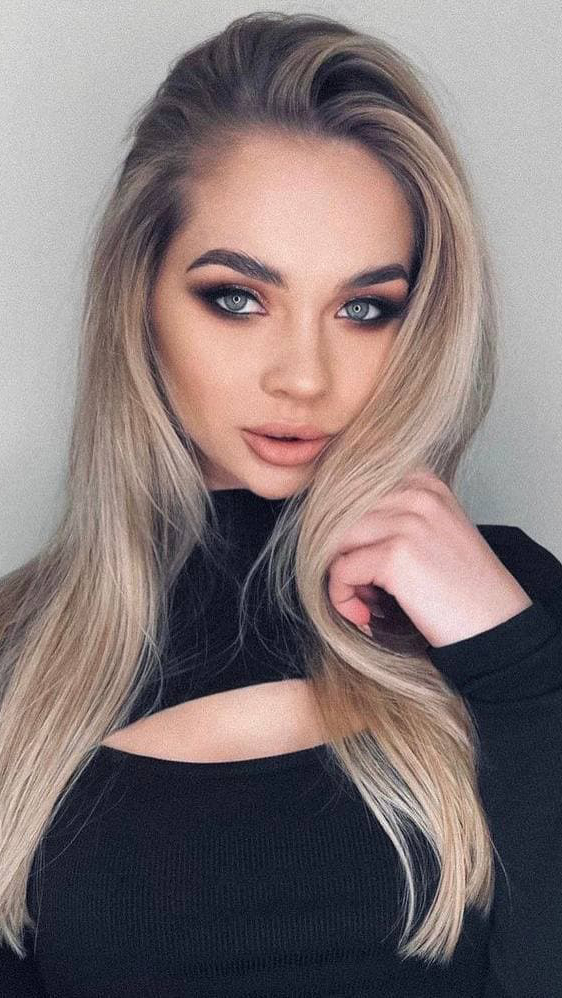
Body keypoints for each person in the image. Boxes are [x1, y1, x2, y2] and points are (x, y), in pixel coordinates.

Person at [1, 11, 561, 997]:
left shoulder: (508, 610)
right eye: (237, 297)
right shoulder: (20, 661)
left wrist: (517, 670)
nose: (303, 376)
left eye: (363, 309)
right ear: (140, 296)